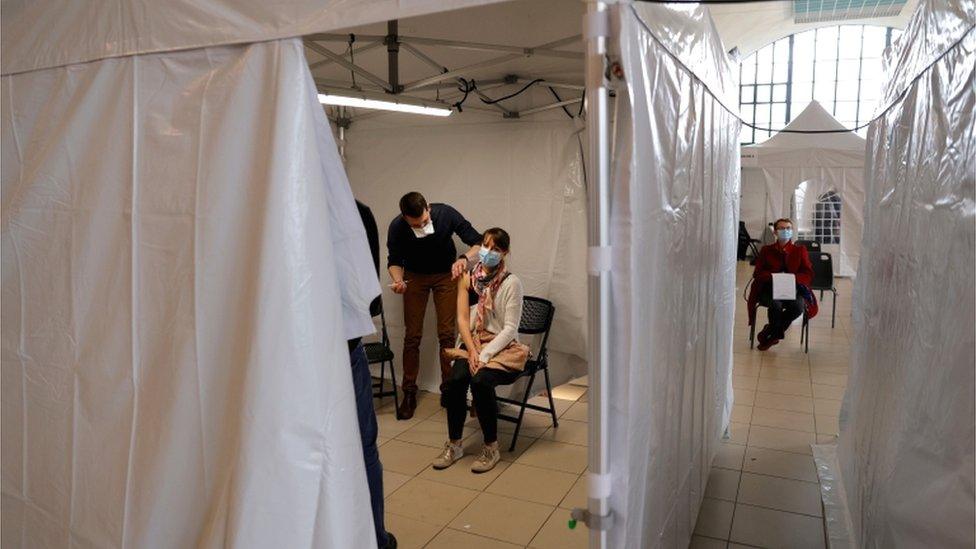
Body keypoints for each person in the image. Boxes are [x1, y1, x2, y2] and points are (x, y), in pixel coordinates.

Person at [433, 228, 528, 474]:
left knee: (481, 381)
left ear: (505, 252)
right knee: (455, 381)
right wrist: (473, 351)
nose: (488, 252)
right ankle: (454, 445)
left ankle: (491, 448)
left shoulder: (511, 283)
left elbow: (509, 330)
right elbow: (463, 320)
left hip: (501, 345)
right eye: (486, 245)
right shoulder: (468, 277)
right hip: (473, 340)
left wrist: (484, 355)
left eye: (495, 248)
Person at [386, 192, 483, 419]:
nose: (421, 226)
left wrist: (464, 259)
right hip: (414, 277)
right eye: (415, 225)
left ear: (428, 208)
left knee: (446, 334)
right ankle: (409, 392)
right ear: (405, 218)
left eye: (424, 221)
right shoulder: (397, 227)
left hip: (445, 275)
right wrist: (398, 280)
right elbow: (394, 260)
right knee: (412, 336)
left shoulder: (445, 213)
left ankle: (449, 390)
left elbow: (478, 240)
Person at [350, 199, 396, 549]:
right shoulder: (354, 211)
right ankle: (374, 540)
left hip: (280, 350)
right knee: (363, 445)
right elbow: (371, 298)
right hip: (342, 344)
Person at [747, 218, 818, 350]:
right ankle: (773, 335)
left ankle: (770, 333)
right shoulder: (766, 250)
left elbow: (808, 273)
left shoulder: (800, 250)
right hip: (770, 289)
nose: (785, 231)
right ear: (775, 232)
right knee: (775, 305)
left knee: (798, 306)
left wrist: (792, 278)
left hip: (793, 289)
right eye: (782, 228)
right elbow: (758, 273)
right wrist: (775, 277)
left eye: (788, 228)